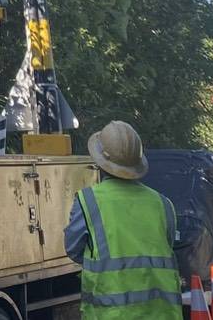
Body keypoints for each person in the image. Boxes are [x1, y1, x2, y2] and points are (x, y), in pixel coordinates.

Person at [64, 120, 180, 318]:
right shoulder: (163, 204)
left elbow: (74, 250)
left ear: (100, 162)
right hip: (162, 314)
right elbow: (167, 247)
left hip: (110, 314)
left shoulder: (89, 201)